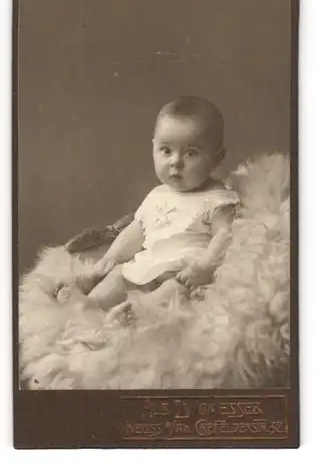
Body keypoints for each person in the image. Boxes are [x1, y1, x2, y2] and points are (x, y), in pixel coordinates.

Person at [57, 96, 239, 321]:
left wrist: (203, 268)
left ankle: (133, 317)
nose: (176, 162)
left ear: (217, 158)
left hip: (181, 273)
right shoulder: (157, 195)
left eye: (190, 153)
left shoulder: (218, 199)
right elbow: (138, 230)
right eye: (166, 151)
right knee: (117, 278)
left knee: (171, 294)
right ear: (153, 146)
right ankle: (91, 306)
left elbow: (226, 235)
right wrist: (110, 258)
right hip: (146, 265)